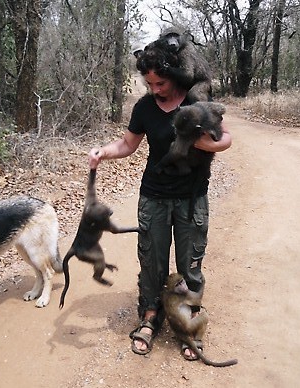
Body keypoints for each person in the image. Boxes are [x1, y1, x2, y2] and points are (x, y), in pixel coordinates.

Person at [89, 44, 232, 359]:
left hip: (191, 198)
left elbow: (226, 139)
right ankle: (150, 316)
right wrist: (103, 152)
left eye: (161, 84)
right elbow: (128, 144)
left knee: (188, 266)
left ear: (176, 77)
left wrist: (198, 139)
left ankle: (188, 325)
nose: (154, 90)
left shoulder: (198, 102)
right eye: (149, 84)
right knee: (151, 263)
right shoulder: (144, 108)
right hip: (154, 196)